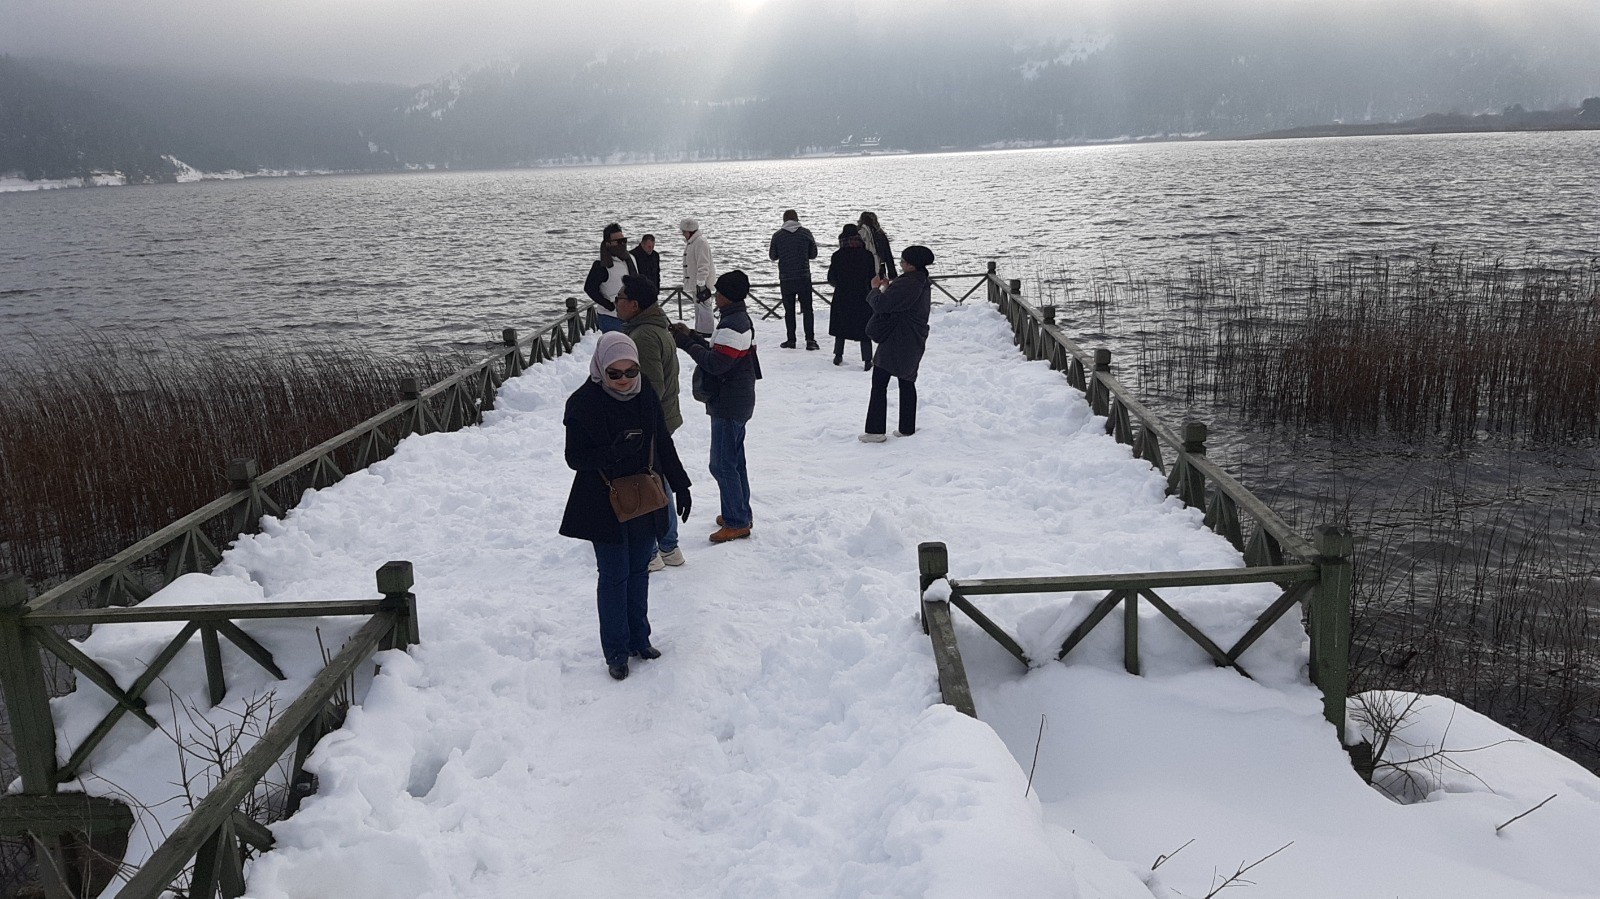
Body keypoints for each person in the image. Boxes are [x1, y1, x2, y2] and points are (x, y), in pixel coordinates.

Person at [559, 332, 692, 681]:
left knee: (639, 571)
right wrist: (612, 452)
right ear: (601, 369)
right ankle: (616, 651)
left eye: (630, 371)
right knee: (614, 575)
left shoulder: (644, 391)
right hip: (603, 501)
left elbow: (661, 440)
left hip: (644, 496)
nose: (623, 380)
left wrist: (681, 485)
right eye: (614, 374)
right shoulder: (583, 403)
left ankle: (639, 639)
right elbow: (574, 458)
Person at [671, 270, 761, 543]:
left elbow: (716, 363)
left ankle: (737, 520)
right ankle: (740, 511)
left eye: (719, 293)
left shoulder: (734, 324)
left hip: (730, 403)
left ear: (727, 297)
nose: (716, 296)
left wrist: (686, 343)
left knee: (722, 464)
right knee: (735, 461)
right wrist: (693, 336)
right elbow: (717, 349)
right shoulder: (734, 320)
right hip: (736, 399)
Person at [615, 274, 685, 572]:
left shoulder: (642, 336)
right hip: (662, 417)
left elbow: (650, 386)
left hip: (651, 423)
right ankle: (668, 547)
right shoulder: (654, 326)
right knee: (660, 478)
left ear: (633, 304)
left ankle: (657, 549)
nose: (615, 303)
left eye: (619, 299)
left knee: (649, 482)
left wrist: (634, 422)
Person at [860, 245, 934, 443]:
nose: (900, 264)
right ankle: (906, 427)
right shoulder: (921, 280)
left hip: (899, 338)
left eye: (903, 261)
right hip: (911, 338)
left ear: (911, 265)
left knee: (880, 382)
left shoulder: (909, 283)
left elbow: (883, 305)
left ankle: (875, 431)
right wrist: (888, 287)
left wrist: (875, 289)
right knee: (907, 380)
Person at [768, 209, 819, 350]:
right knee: (808, 309)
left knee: (789, 310)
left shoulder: (777, 236)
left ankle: (791, 340)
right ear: (797, 219)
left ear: (784, 220)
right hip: (803, 277)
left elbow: (772, 256)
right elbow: (813, 254)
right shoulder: (806, 233)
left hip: (786, 278)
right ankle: (810, 340)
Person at [826, 223, 876, 369]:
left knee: (841, 326)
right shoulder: (867, 255)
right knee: (864, 328)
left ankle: (838, 355)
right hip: (863, 295)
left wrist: (840, 285)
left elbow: (831, 277)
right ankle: (867, 360)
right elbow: (872, 276)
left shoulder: (837, 255)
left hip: (843, 295)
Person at [583, 223, 638, 333]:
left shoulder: (630, 258)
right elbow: (589, 288)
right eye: (618, 242)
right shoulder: (600, 265)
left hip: (632, 316)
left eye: (624, 240)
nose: (622, 244)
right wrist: (609, 306)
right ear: (608, 244)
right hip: (610, 318)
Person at [680, 216, 717, 337]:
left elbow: (703, 264)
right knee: (699, 308)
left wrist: (701, 282)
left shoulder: (699, 242)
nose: (683, 235)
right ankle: (701, 330)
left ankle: (706, 332)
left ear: (690, 231)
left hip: (701, 283)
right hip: (697, 283)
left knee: (704, 307)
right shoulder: (694, 242)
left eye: (684, 232)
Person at [856, 211, 895, 282]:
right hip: (880, 268)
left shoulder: (857, 234)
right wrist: (892, 275)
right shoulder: (881, 235)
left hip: (861, 268)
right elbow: (888, 255)